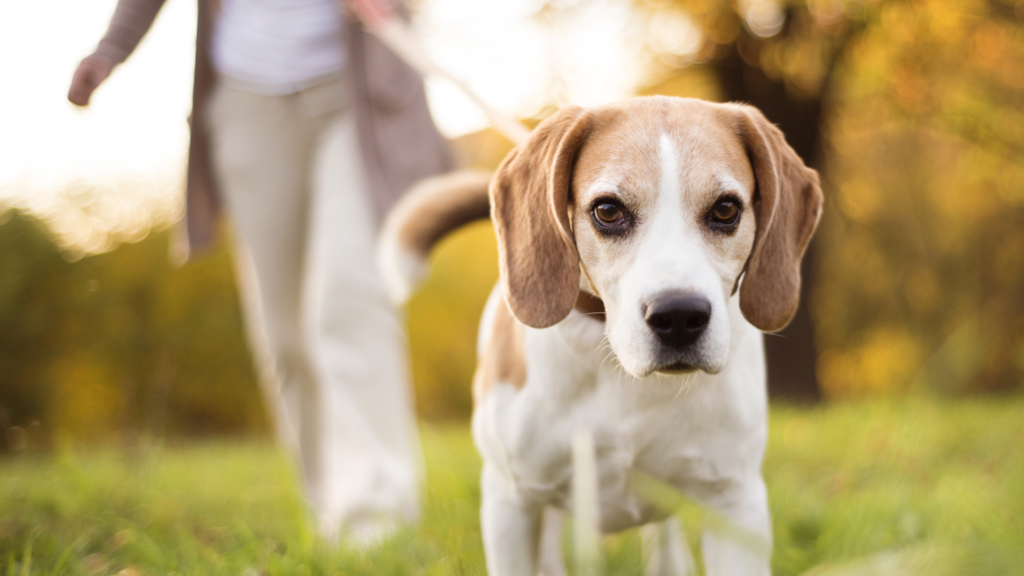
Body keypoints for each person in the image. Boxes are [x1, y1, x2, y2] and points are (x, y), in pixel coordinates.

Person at [69, 0, 453, 541]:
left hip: (357, 88)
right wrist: (111, 49)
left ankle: (378, 521)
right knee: (285, 333)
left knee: (347, 300)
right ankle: (331, 511)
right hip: (247, 99)